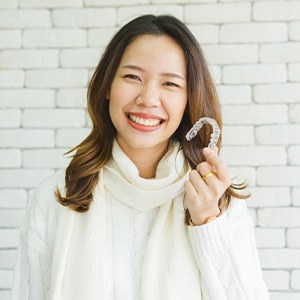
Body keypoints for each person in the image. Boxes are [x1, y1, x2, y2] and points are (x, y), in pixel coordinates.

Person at [11, 14, 269, 300]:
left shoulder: (218, 200)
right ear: (107, 86)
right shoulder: (56, 197)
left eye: (170, 84)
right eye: (133, 77)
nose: (148, 98)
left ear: (188, 100)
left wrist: (207, 220)